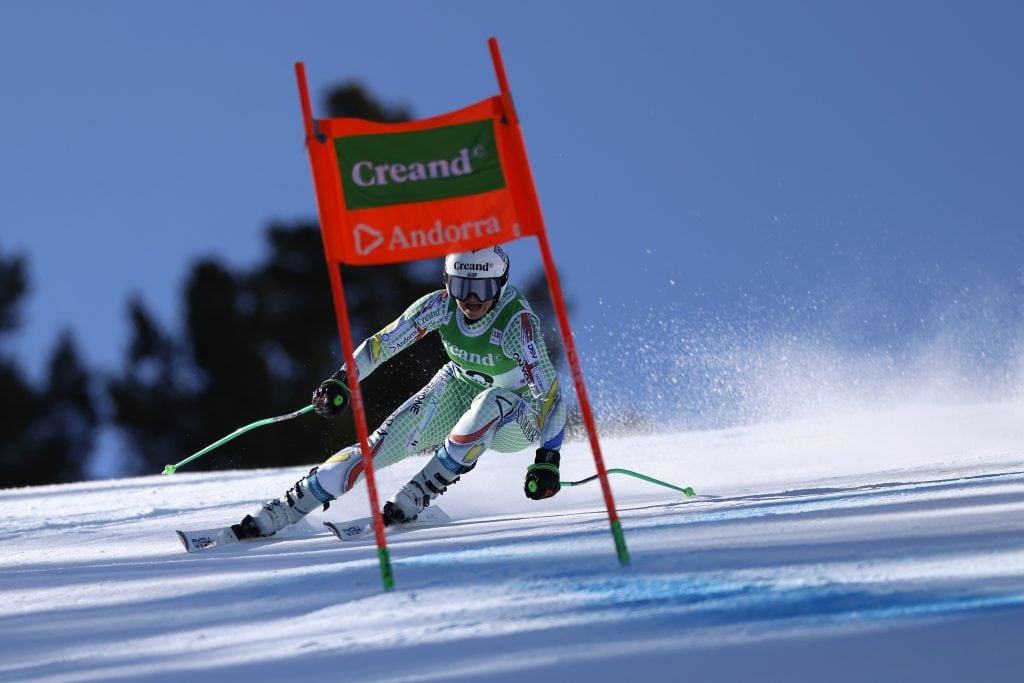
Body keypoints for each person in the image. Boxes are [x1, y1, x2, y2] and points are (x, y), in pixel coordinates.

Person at [233, 245, 567, 538]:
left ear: (501, 283)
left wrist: (547, 458)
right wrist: (341, 380)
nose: (472, 299)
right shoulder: (440, 306)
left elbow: (551, 397)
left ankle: (420, 490)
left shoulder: (515, 324)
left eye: (483, 288)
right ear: (448, 283)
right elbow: (382, 345)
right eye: (462, 287)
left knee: (490, 399)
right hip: (459, 386)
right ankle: (287, 508)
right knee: (376, 445)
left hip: (519, 417)